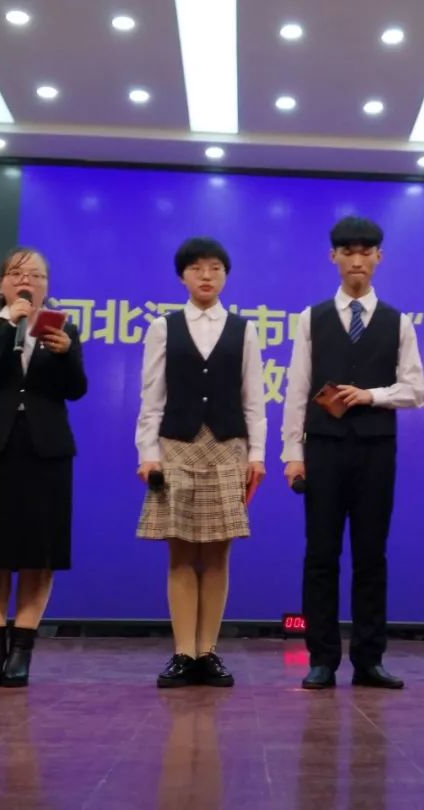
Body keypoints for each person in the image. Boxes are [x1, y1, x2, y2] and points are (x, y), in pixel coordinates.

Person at [281, 216, 424, 690]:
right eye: (348, 252)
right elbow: (297, 389)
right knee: (320, 554)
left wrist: (371, 395)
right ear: (334, 257)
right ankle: (321, 658)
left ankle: (369, 659)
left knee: (371, 555)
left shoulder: (398, 321)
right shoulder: (312, 317)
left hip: (376, 449)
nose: (357, 260)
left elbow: (416, 389)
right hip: (322, 448)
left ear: (379, 257)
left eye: (366, 252)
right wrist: (292, 453)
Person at [135, 237, 266, 688]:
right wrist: (148, 453)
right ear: (182, 277)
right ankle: (182, 653)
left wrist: (257, 454)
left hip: (227, 447)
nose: (206, 276)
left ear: (225, 275)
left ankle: (208, 651)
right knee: (180, 553)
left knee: (217, 554)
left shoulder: (243, 329)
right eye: (196, 268)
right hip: (177, 446)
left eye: (214, 268)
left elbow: (254, 399)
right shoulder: (163, 327)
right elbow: (152, 398)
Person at [0, 247, 87, 687]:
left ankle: (21, 651)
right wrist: (8, 326)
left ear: (46, 287)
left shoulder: (63, 330)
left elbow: (76, 389)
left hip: (45, 451)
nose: (26, 281)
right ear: (2, 285)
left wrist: (66, 353)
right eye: (17, 274)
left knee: (39, 553)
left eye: (36, 275)